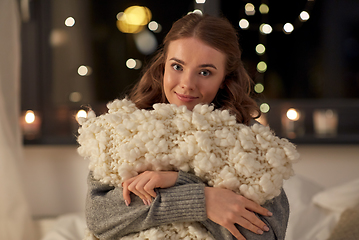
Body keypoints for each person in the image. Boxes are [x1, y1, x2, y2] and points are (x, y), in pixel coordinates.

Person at [85, 13, 289, 240]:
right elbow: (100, 218)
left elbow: (266, 236)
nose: (187, 84)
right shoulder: (124, 130)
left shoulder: (251, 145)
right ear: (163, 66)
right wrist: (202, 199)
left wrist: (175, 181)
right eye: (177, 67)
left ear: (225, 78)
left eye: (205, 72)